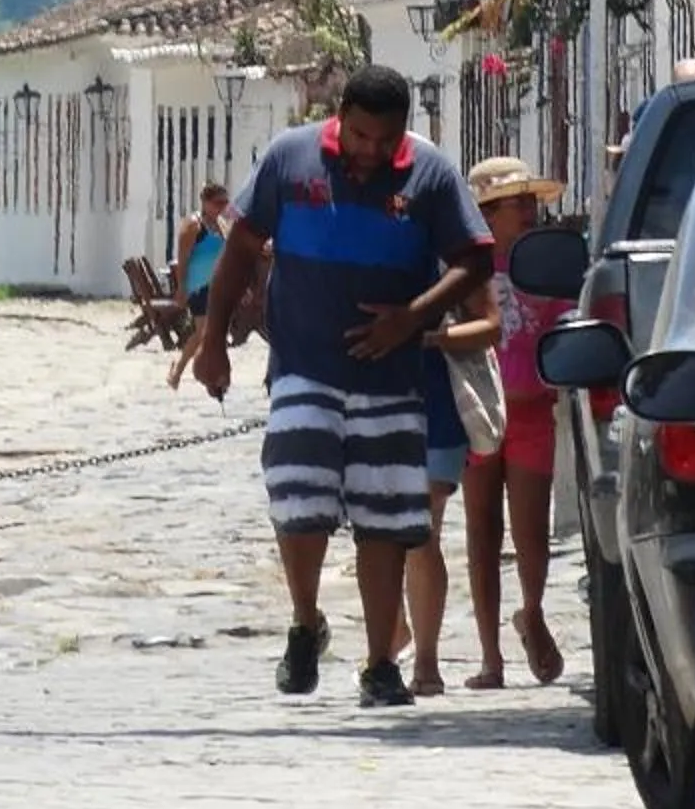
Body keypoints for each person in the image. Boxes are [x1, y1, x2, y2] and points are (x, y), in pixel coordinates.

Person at [197, 66, 492, 708]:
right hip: (303, 365)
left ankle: (381, 663)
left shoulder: (431, 175)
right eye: (359, 136)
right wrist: (213, 339)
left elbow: (476, 259)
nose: (370, 151)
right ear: (340, 117)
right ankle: (306, 622)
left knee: (385, 521)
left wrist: (413, 317)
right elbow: (241, 247)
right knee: (297, 499)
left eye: (385, 140)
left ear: (404, 130)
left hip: (391, 379)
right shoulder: (289, 157)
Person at [463, 155, 571, 689]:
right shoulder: (465, 269)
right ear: (487, 212)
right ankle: (490, 656)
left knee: (531, 531)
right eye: (516, 202)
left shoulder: (547, 264)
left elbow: (564, 319)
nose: (528, 210)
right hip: (478, 408)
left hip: (531, 410)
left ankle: (531, 610)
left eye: (530, 200)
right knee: (481, 530)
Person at [395, 276, 499, 697]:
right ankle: (396, 631)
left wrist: (433, 338)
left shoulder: (452, 252)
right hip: (374, 396)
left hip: (437, 403)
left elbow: (490, 325)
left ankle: (426, 661)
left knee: (423, 530)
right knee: (385, 532)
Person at [167, 182, 233, 390]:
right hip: (198, 285)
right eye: (218, 203)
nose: (222, 207)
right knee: (202, 331)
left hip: (218, 286)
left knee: (217, 333)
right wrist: (181, 287)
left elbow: (227, 256)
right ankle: (178, 370)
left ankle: (212, 373)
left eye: (225, 203)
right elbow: (182, 259)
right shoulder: (193, 225)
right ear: (205, 202)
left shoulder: (222, 225)